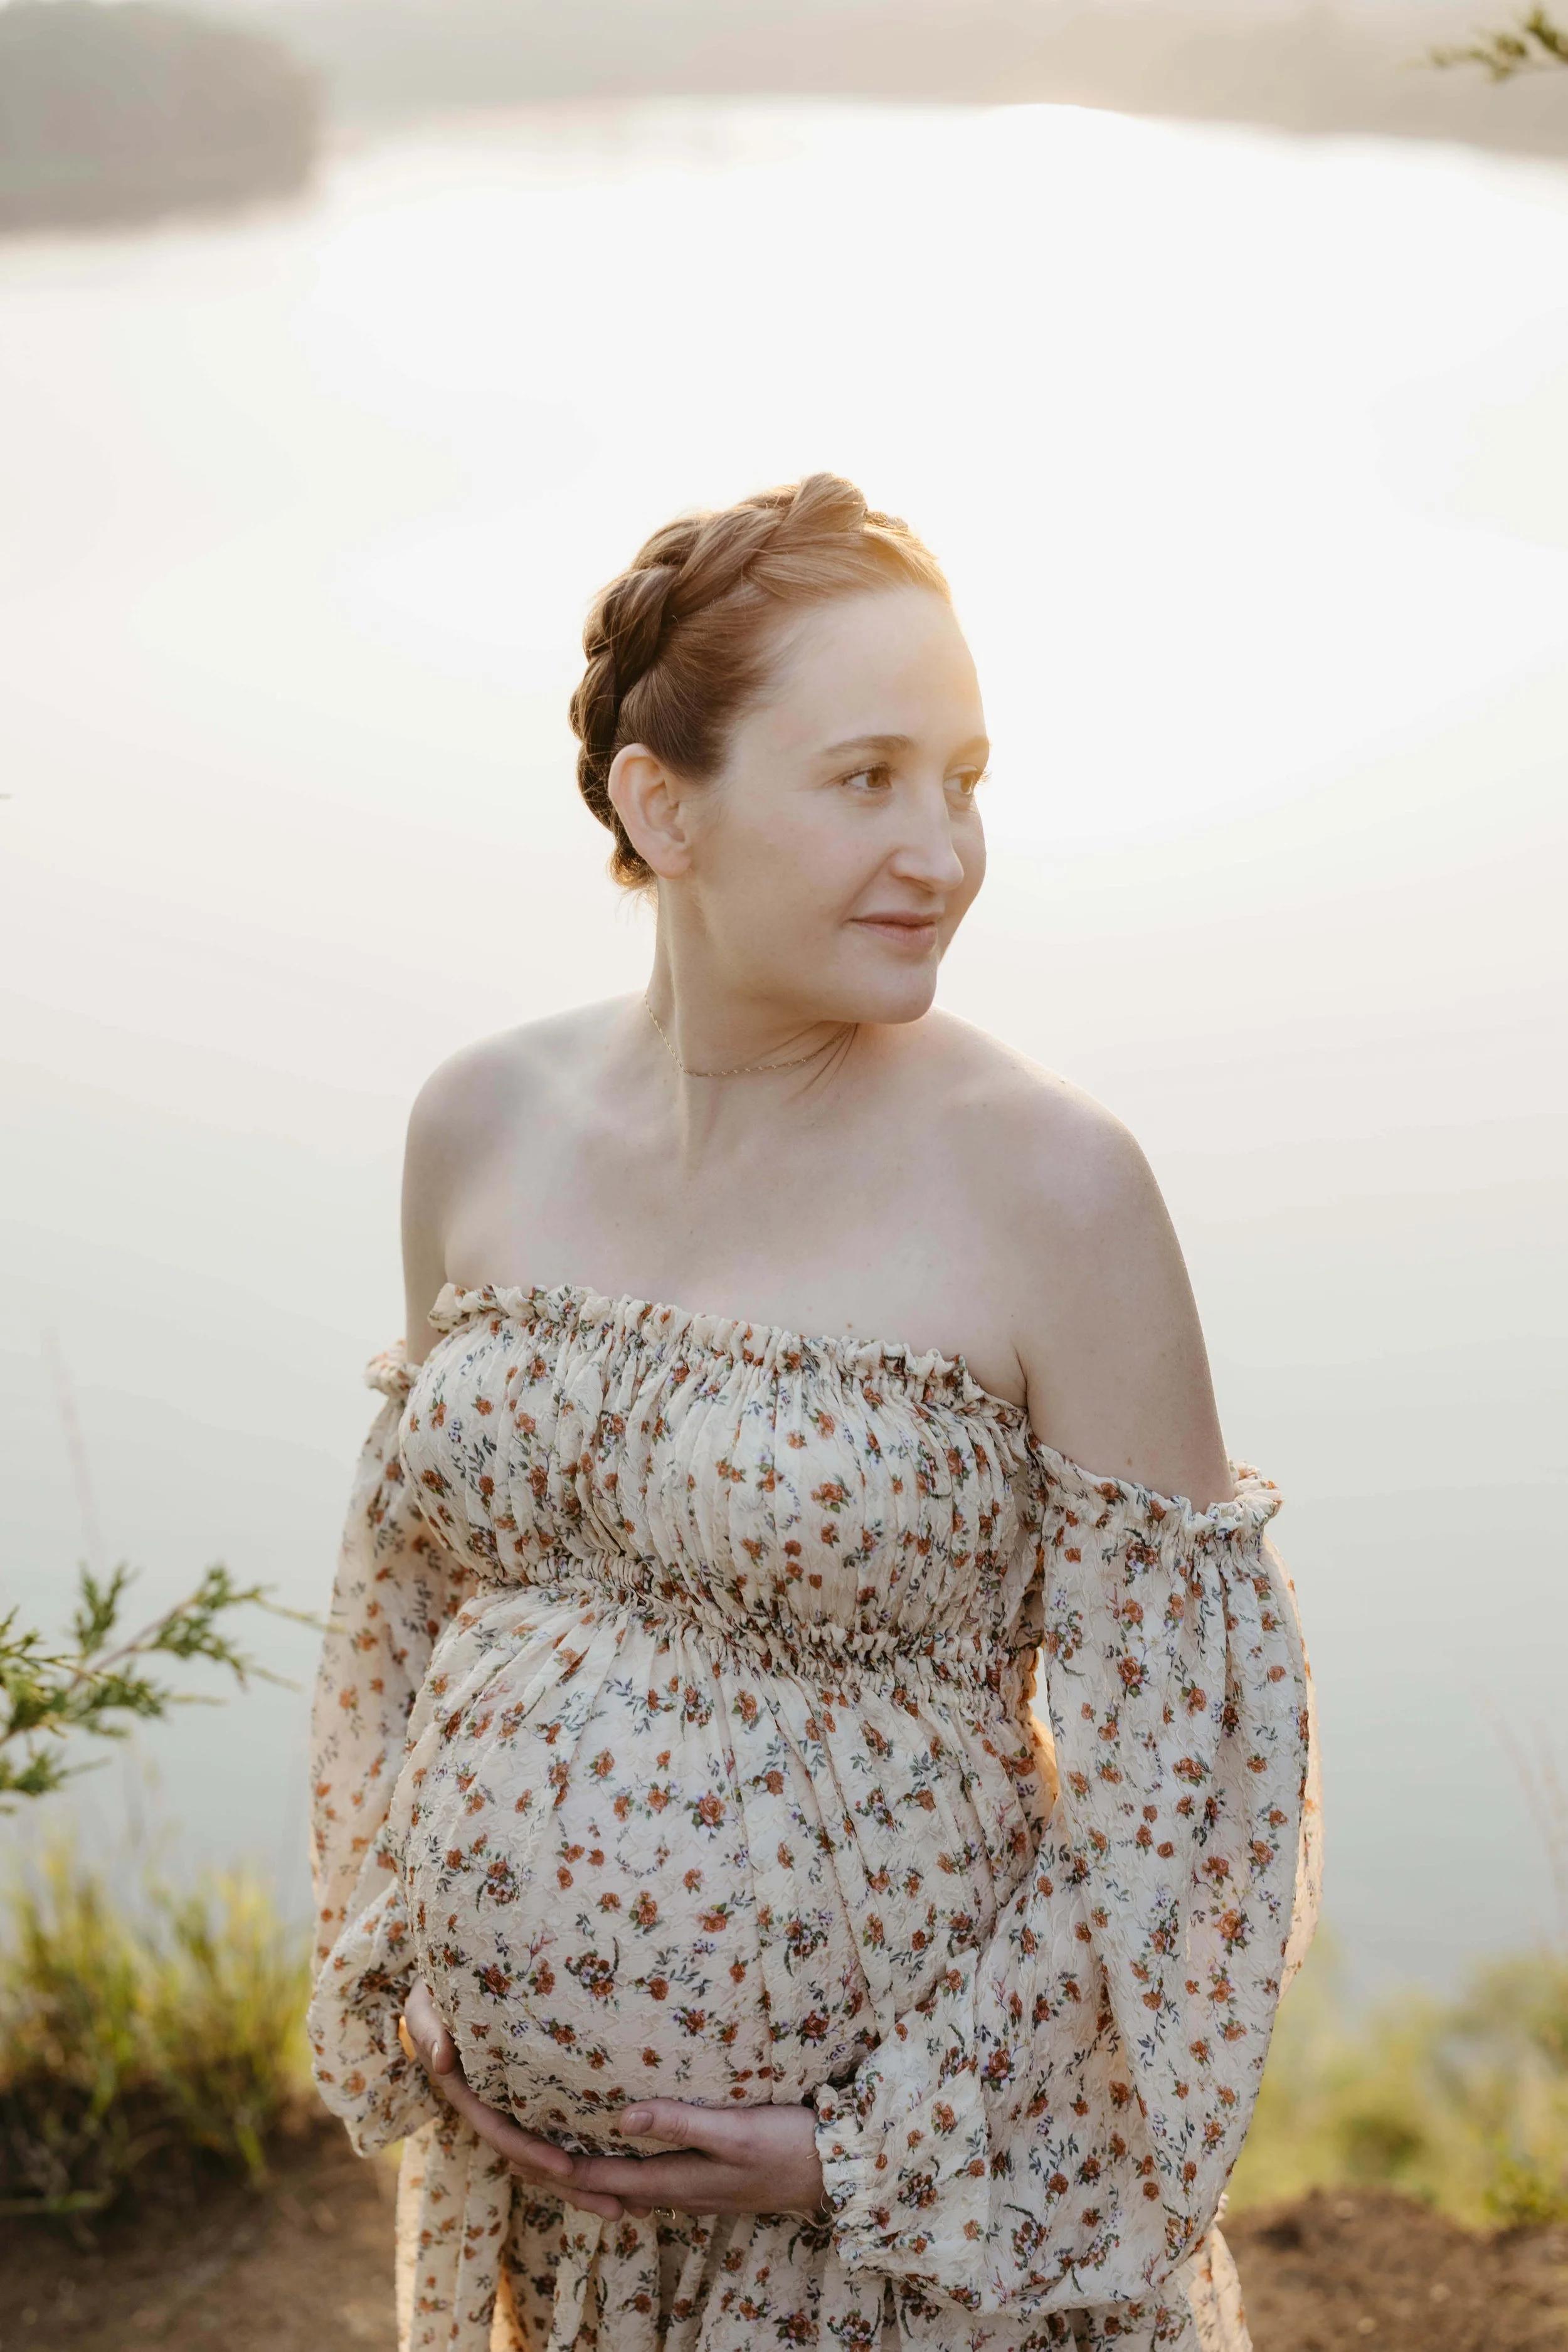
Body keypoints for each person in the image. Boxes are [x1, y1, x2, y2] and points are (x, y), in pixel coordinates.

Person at [307, 474, 1320, 2352]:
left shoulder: (1054, 1185)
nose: (942, 850)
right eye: (866, 778)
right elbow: (415, 1615)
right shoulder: (478, 1124)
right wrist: (411, 1939)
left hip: (905, 2251)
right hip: (555, 2229)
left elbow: (1190, 1785)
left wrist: (872, 2147)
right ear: (659, 804)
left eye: (965, 778)